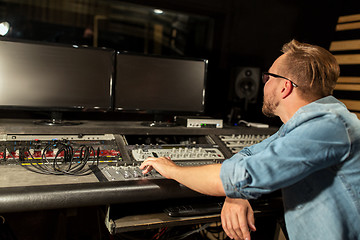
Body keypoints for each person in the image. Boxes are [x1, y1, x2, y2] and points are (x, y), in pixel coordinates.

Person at [140, 39, 360, 240]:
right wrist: (236, 194)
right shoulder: (301, 126)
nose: (264, 83)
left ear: (284, 87)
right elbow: (247, 157)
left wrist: (171, 169)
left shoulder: (328, 127)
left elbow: (240, 176)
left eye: (268, 77)